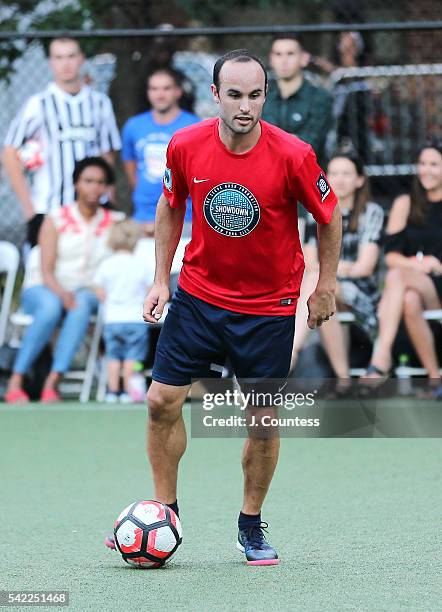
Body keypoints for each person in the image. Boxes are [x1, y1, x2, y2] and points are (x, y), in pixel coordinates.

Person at [105, 49, 342, 564]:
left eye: (255, 95)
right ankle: (164, 513)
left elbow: (329, 215)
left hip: (268, 306)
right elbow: (170, 206)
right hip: (198, 297)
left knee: (261, 420)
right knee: (160, 401)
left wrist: (325, 284)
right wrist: (160, 280)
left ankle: (250, 526)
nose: (245, 106)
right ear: (215, 95)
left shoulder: (293, 154)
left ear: (265, 96)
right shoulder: (186, 144)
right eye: (234, 95)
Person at [5, 157, 124, 404]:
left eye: (101, 182)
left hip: (87, 290)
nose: (95, 188)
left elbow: (140, 235)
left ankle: (53, 382)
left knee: (80, 305)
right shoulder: (55, 218)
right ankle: (16, 380)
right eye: (89, 181)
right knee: (50, 308)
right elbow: (46, 269)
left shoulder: (114, 222)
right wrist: (61, 294)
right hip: (45, 286)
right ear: (76, 184)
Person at [2, 37, 121, 246]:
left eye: (71, 56)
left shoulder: (100, 103)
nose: (65, 63)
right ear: (51, 63)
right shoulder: (38, 104)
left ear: (81, 59)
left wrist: (109, 198)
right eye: (59, 57)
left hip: (93, 210)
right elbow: (10, 152)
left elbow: (106, 155)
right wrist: (29, 207)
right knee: (46, 274)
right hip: (49, 210)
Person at [291, 153, 384, 387]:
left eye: (347, 173)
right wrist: (343, 268)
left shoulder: (372, 212)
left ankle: (290, 352)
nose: (340, 180)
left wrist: (330, 270)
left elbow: (365, 267)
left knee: (319, 286)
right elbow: (310, 262)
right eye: (334, 174)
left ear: (360, 179)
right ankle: (344, 381)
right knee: (322, 298)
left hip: (363, 295)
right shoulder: (318, 211)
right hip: (329, 288)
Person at [365, 143, 442, 396]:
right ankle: (434, 379)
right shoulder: (405, 203)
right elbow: (392, 258)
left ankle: (382, 356)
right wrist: (420, 264)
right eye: (423, 164)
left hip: (438, 286)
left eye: (434, 164)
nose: (426, 170)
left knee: (399, 279)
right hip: (412, 285)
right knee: (408, 298)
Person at [121, 68, 199, 237]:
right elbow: (131, 165)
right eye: (154, 89)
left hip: (184, 218)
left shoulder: (194, 126)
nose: (159, 94)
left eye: (166, 88)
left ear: (178, 91)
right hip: (142, 217)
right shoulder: (133, 126)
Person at [94, 220, 154, 403]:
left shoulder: (106, 264)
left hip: (112, 319)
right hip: (134, 318)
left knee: (113, 356)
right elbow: (149, 289)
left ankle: (113, 391)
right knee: (132, 356)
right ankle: (129, 391)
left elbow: (99, 291)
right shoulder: (141, 264)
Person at [262, 34, 334, 168]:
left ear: (304, 58)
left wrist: (271, 142)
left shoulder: (321, 98)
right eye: (278, 54)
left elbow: (309, 145)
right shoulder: (261, 97)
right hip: (267, 173)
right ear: (271, 59)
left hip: (307, 176)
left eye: (290, 54)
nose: (284, 60)